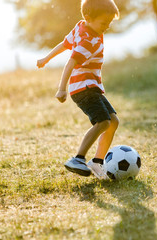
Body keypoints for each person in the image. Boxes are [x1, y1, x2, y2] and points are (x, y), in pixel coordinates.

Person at [36, 0, 120, 179]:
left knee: (113, 122)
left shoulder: (81, 27)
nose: (106, 27)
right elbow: (71, 62)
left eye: (109, 23)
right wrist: (61, 88)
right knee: (104, 122)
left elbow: (64, 44)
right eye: (104, 23)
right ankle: (78, 158)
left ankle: (97, 162)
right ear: (88, 18)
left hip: (92, 87)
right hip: (84, 87)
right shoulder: (88, 40)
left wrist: (45, 58)